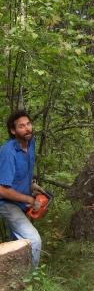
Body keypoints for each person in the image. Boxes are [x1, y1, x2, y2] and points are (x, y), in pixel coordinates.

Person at [0, 109, 45, 269]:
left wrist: (31, 186)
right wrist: (30, 200)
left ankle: (11, 278)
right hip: (7, 203)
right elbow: (3, 190)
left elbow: (21, 174)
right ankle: (30, 280)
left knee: (18, 245)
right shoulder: (8, 153)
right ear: (13, 131)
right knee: (34, 240)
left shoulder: (30, 143)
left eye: (28, 124)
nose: (27, 128)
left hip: (21, 199)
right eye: (21, 126)